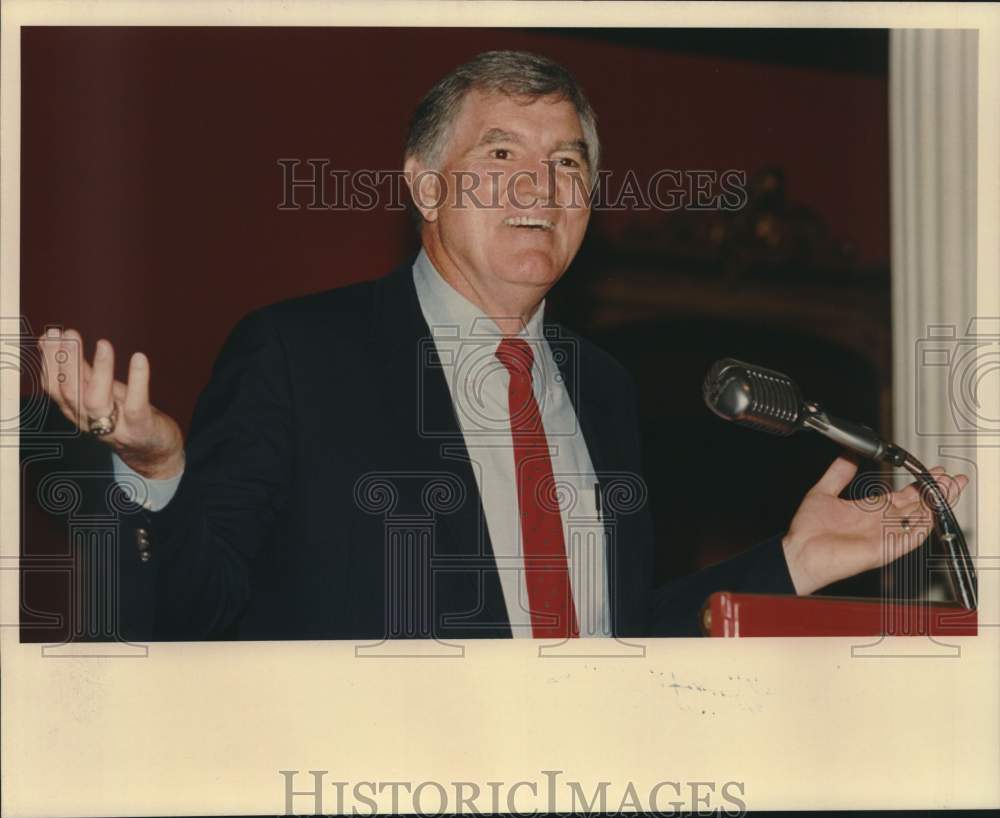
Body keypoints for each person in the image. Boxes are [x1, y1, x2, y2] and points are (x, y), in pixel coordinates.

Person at [36, 51, 966, 640]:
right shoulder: (296, 355)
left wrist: (792, 562)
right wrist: (157, 476)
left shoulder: (604, 386)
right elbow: (191, 615)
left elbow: (608, 641)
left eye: (567, 162)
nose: (540, 186)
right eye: (500, 154)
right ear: (423, 185)